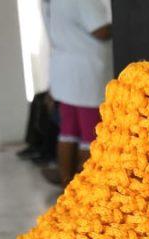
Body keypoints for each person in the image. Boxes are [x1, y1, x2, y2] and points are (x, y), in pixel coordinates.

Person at [42, 0, 113, 187]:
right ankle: (86, 191)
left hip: (65, 73)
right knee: (91, 136)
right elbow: (100, 30)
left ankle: (67, 184)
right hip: (86, 75)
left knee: (68, 132)